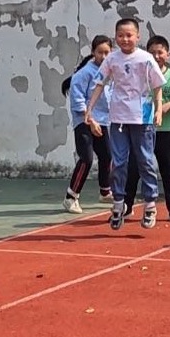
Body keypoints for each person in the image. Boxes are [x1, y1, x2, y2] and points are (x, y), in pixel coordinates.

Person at [85, 17, 165, 230]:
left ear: (138, 37)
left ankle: (150, 204)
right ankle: (119, 203)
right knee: (119, 162)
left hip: (142, 118)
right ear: (116, 37)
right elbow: (99, 83)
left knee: (144, 160)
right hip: (118, 118)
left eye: (129, 35)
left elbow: (157, 86)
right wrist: (89, 109)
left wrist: (158, 110)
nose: (125, 39)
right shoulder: (112, 59)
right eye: (120, 35)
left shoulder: (146, 59)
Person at [127, 35, 170, 224]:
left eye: (160, 52)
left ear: (167, 54)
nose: (156, 56)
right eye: (152, 53)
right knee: (133, 169)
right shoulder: (140, 76)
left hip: (166, 132)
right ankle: (126, 206)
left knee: (168, 171)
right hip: (142, 131)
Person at [62, 35, 114, 213]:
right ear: (93, 52)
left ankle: (105, 192)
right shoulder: (84, 74)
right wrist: (90, 121)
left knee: (107, 155)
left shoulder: (110, 71)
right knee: (86, 159)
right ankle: (71, 197)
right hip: (84, 121)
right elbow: (78, 101)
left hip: (102, 121)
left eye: (107, 52)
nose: (104, 56)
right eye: (100, 52)